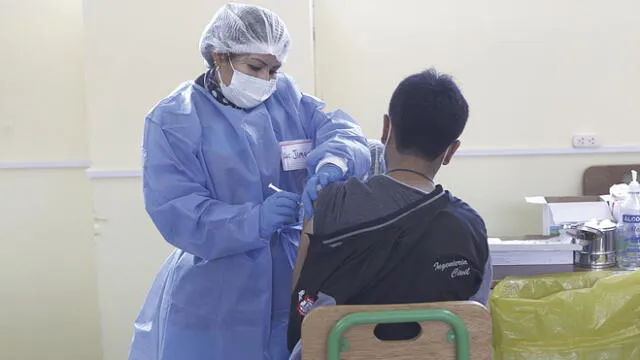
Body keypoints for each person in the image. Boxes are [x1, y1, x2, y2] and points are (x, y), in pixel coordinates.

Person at [128, 3, 370, 360]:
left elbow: (341, 130)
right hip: (214, 293)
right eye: (255, 67)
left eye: (273, 69)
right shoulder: (174, 120)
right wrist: (252, 221)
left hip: (290, 277)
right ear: (219, 56)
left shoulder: (285, 98)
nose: (265, 80)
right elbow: (176, 210)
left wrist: (335, 161)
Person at [287, 68, 493, 356]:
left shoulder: (330, 204)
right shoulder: (470, 228)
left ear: (386, 129)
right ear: (451, 151)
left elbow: (299, 301)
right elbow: (475, 328)